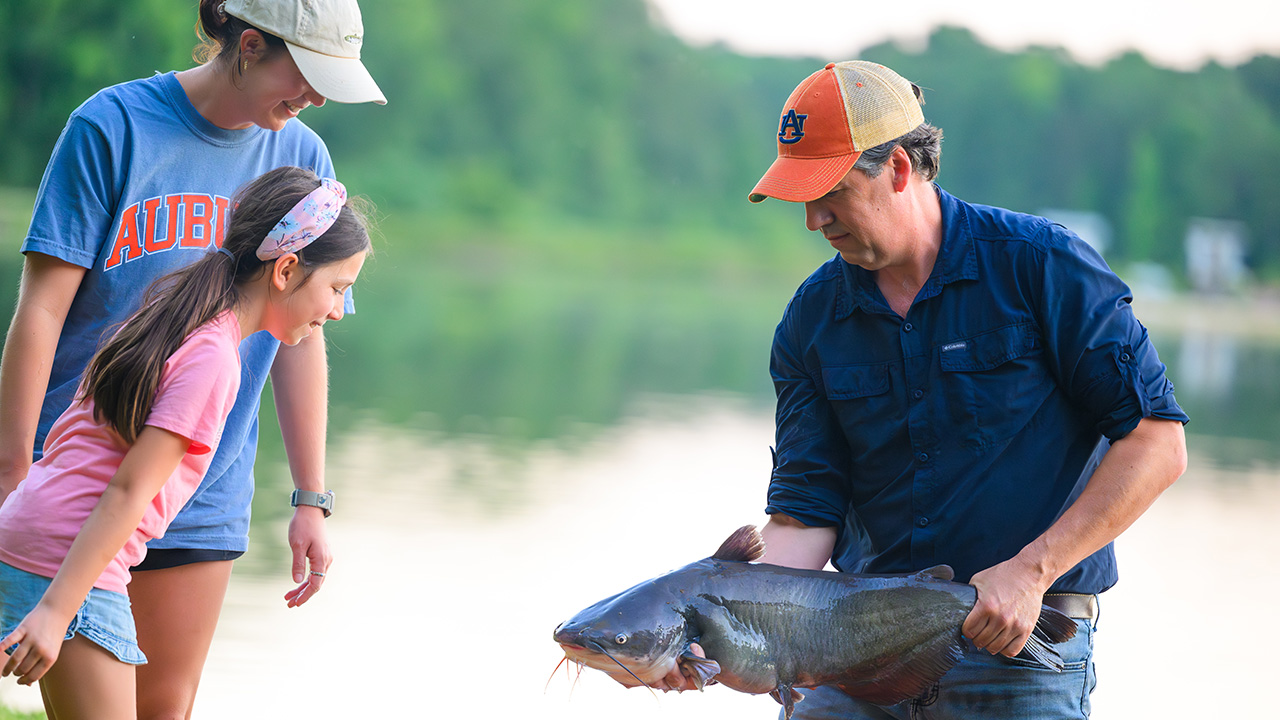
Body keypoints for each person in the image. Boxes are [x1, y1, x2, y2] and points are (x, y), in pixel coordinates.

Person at [660, 61, 1189, 717]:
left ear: (900, 170)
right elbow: (805, 517)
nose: (813, 219)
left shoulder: (1042, 266)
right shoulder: (811, 321)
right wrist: (705, 626)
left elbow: (1157, 443)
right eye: (802, 197)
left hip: (1022, 647)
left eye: (830, 191)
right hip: (857, 657)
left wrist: (1031, 571)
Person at [0, 0, 384, 717]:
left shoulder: (304, 158)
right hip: (83, 481)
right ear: (246, 45)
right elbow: (43, 310)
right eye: (306, 74)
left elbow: (302, 339)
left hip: (198, 487)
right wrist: (14, 472)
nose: (316, 98)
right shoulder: (111, 126)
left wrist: (310, 497)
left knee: (164, 705)